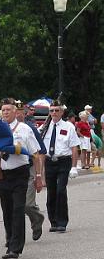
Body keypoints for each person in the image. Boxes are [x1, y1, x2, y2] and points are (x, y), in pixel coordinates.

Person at [0, 98, 42, 259]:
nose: (5, 112)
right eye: (3, 110)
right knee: (7, 210)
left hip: (20, 174)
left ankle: (16, 248)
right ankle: (10, 241)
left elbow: (35, 154)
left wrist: (39, 176)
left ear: (15, 112)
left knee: (18, 209)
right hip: (2, 175)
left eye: (8, 109)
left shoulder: (24, 129)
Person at [42, 100, 80, 233]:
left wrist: (74, 167)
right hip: (49, 162)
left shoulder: (68, 126)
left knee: (60, 191)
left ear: (62, 112)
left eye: (56, 110)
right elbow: (40, 148)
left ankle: (62, 222)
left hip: (64, 161)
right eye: (51, 110)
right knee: (51, 192)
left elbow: (74, 147)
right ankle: (53, 221)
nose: (54, 113)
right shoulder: (45, 127)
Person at [15, 100, 46, 242]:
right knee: (14, 206)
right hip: (13, 171)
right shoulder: (5, 129)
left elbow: (40, 153)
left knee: (27, 204)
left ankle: (37, 219)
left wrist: (39, 175)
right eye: (17, 112)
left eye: (22, 113)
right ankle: (13, 238)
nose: (19, 115)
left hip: (29, 169)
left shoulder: (29, 129)